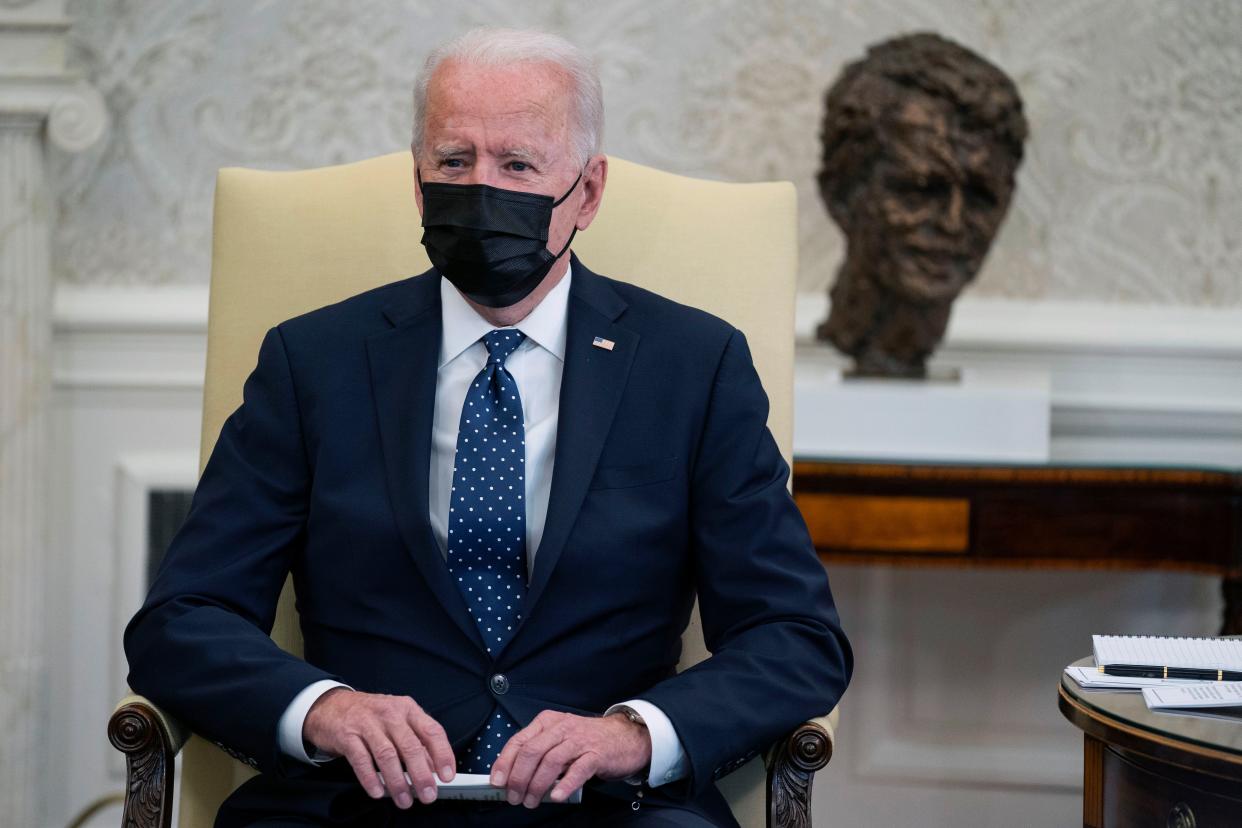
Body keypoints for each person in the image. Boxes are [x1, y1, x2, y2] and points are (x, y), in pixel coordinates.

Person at [125, 27, 851, 828]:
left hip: (609, 804)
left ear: (588, 192)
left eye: (517, 165)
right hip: (351, 801)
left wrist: (634, 735)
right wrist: (323, 709)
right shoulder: (313, 361)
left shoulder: (694, 365)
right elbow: (182, 620)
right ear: (416, 180)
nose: (480, 190)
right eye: (453, 161)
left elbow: (794, 636)